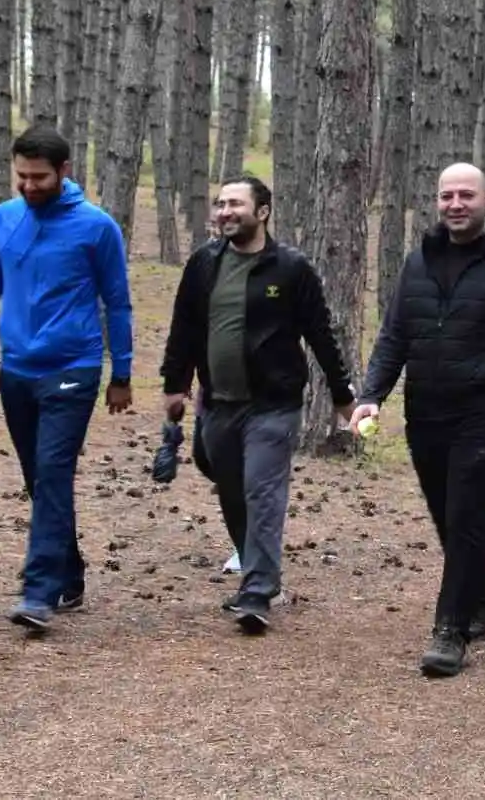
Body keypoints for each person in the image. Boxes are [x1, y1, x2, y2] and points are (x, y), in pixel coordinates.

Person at [350, 162, 485, 677]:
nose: (455, 204)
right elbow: (394, 335)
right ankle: (484, 592)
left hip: (484, 414)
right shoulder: (418, 262)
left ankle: (449, 629)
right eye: (446, 196)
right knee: (445, 514)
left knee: (465, 515)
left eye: (466, 195)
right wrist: (372, 395)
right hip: (425, 411)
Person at [0, 124, 133, 632]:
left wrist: (123, 373)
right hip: (16, 371)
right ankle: (69, 575)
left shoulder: (96, 227)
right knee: (38, 479)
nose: (28, 186)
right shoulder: (4, 219)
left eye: (39, 177)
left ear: (64, 172)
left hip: (73, 368)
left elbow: (117, 303)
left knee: (52, 473)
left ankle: (40, 591)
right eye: (21, 176)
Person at [158, 175, 355, 634]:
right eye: (221, 204)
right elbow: (184, 327)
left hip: (274, 403)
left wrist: (343, 396)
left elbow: (321, 335)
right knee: (230, 487)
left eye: (236, 205)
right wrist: (175, 384)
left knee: (261, 491)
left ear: (262, 212)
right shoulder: (203, 264)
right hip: (218, 402)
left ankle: (257, 590)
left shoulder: (291, 268)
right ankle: (255, 564)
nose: (225, 212)